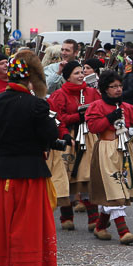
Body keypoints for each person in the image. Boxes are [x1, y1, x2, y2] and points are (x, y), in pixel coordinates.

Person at [0, 50, 59, 266]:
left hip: (3, 172)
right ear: (30, 78)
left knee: (3, 225)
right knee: (25, 225)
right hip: (29, 172)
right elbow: (50, 136)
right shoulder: (37, 105)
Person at [85, 70, 133, 245]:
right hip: (107, 148)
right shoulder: (96, 106)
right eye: (113, 87)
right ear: (105, 89)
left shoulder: (127, 107)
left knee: (119, 187)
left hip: (125, 149)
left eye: (120, 86)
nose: (118, 90)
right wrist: (108, 118)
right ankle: (123, 231)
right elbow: (93, 127)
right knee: (113, 187)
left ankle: (100, 226)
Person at [47, 61, 102, 232]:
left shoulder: (92, 92)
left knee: (87, 175)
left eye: (82, 72)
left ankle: (94, 218)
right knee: (68, 175)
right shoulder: (59, 95)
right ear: (68, 76)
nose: (81, 75)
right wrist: (77, 117)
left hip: (88, 137)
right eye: (77, 73)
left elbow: (99, 110)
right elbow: (58, 118)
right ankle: (66, 216)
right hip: (69, 137)